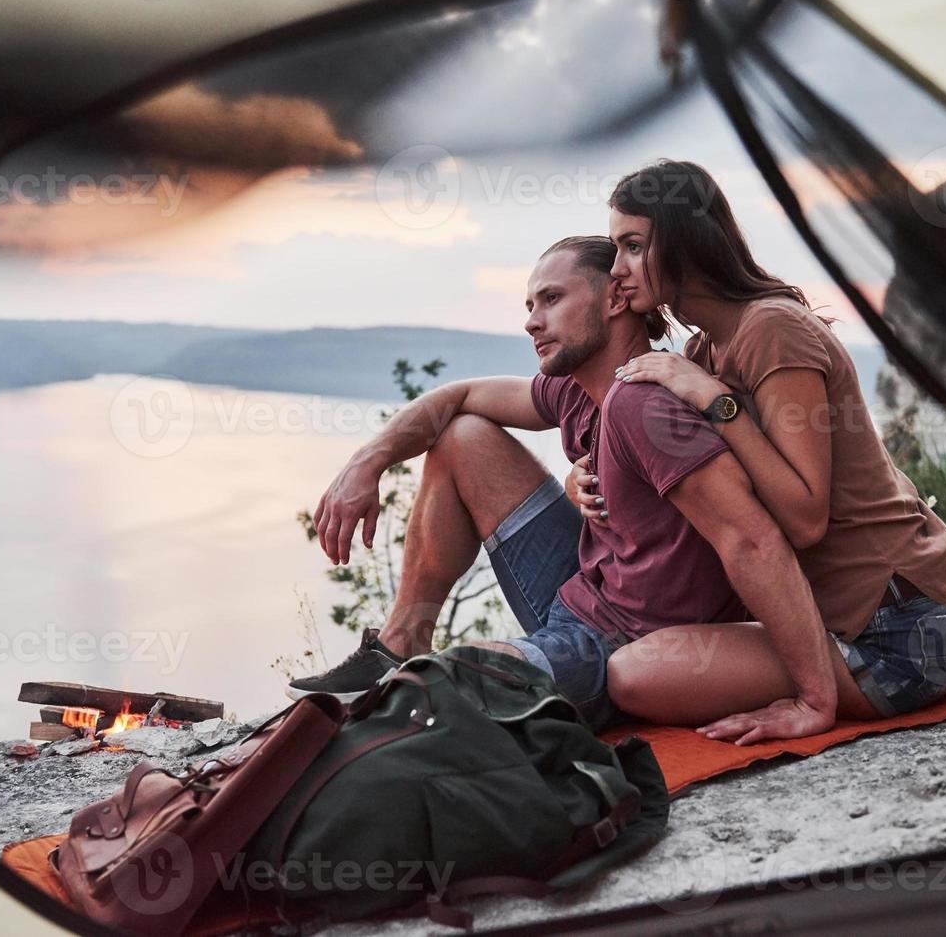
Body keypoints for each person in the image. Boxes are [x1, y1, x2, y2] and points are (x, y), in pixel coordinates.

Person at [291, 235, 879, 734]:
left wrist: (814, 696)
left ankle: (426, 673)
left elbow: (752, 539)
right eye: (529, 304)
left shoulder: (650, 404)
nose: (530, 321)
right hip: (582, 592)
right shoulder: (576, 386)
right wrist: (367, 462)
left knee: (443, 688)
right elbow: (459, 396)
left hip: (629, 642)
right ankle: (400, 640)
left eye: (551, 299)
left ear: (616, 298)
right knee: (462, 437)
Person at [582, 159, 946, 740]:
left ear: (686, 242)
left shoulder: (770, 329)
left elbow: (805, 515)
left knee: (634, 675)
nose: (617, 270)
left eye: (633, 246)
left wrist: (718, 402)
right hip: (856, 623)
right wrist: (580, 475)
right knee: (644, 660)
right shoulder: (707, 350)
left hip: (901, 634)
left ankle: (818, 696)